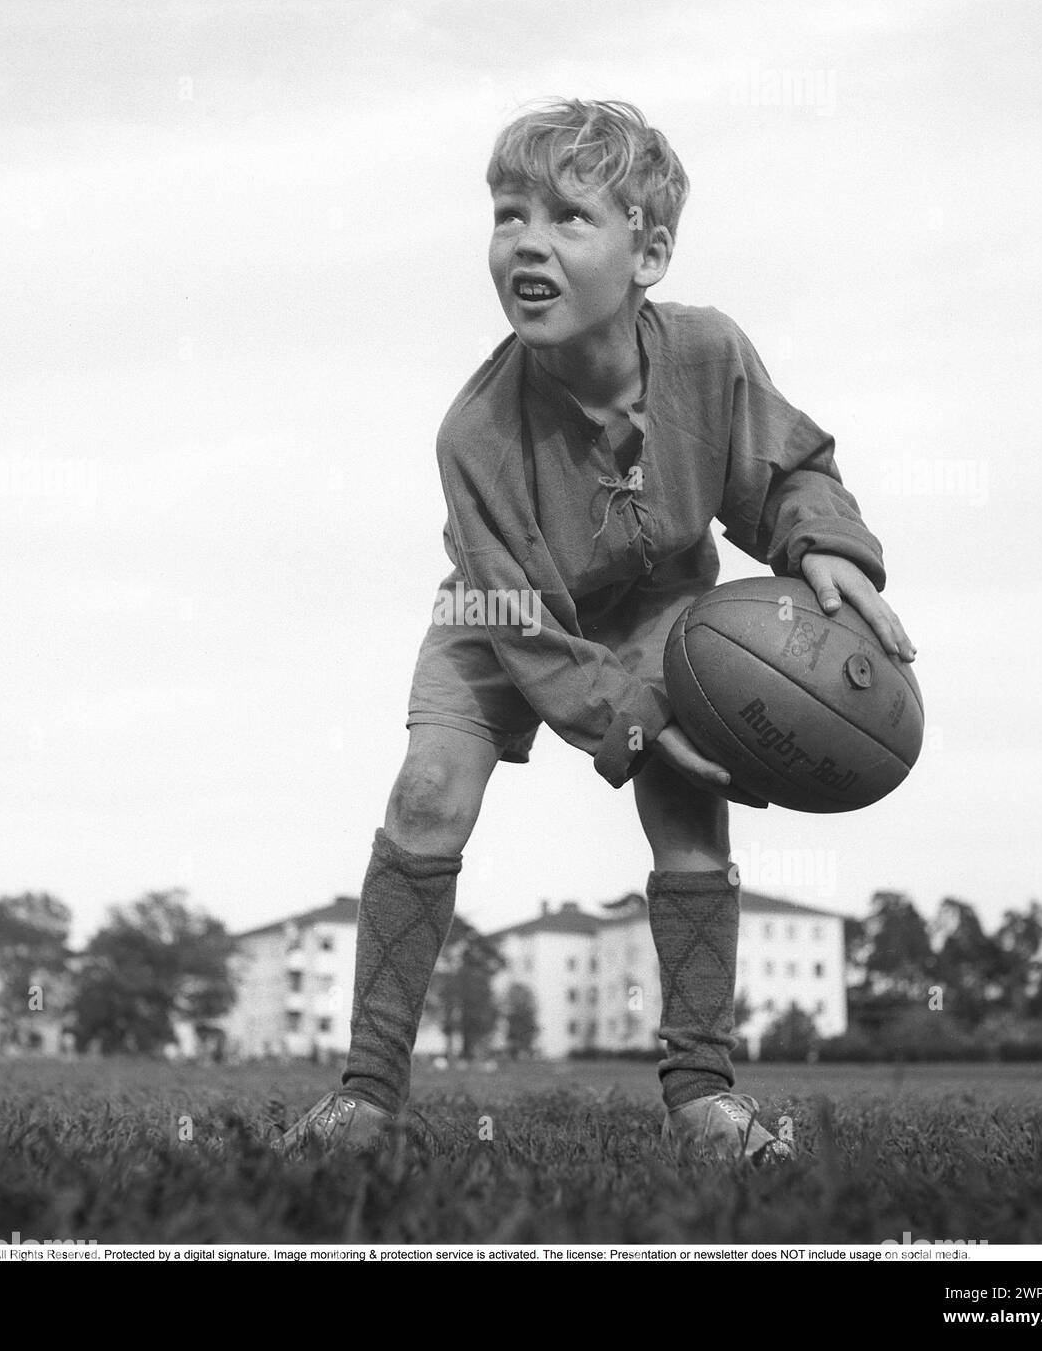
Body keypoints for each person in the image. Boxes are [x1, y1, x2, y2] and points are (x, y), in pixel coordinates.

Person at [275, 99, 915, 1165]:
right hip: (501, 608)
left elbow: (788, 469)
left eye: (569, 217)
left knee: (691, 812)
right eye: (507, 213)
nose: (526, 239)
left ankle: (703, 1090)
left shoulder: (711, 356)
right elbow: (520, 623)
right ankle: (366, 1093)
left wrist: (823, 545)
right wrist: (629, 718)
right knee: (427, 788)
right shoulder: (474, 432)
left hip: (659, 601)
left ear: (649, 251)